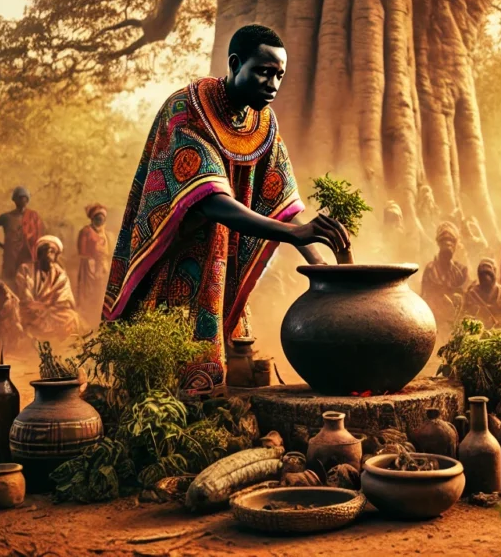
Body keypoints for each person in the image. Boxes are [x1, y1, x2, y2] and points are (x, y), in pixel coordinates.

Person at [103, 25, 349, 394]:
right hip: (172, 253)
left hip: (222, 259)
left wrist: (322, 266)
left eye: (280, 74)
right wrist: (294, 233)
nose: (273, 83)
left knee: (225, 359)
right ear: (235, 63)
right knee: (165, 368)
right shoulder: (187, 110)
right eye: (264, 71)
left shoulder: (262, 122)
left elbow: (281, 201)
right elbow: (210, 200)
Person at [18, 235, 85, 341]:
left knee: (72, 317)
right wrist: (36, 306)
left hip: (54, 311)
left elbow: (65, 298)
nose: (48, 255)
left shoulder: (60, 274)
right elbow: (25, 294)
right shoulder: (26, 269)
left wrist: (49, 308)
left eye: (52, 251)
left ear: (56, 255)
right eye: (45, 251)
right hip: (31, 310)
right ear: (39, 254)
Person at [0, 187, 45, 285]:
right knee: (10, 280)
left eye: (25, 198)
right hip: (11, 254)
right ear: (14, 199)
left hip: (27, 254)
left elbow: (40, 236)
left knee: (27, 280)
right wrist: (1, 244)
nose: (23, 200)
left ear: (28, 200)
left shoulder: (33, 216)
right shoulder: (6, 217)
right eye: (20, 198)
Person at [421, 221, 470, 325]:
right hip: (434, 319)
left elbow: (467, 297)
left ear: (456, 244)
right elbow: (425, 296)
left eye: (451, 240)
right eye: (444, 241)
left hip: (456, 320)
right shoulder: (431, 269)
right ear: (439, 243)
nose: (448, 244)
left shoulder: (461, 270)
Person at [76, 203, 112, 322]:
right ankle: (86, 316)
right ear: (93, 218)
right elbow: (82, 250)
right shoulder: (86, 231)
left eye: (102, 218)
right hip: (89, 266)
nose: (100, 220)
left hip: (103, 265)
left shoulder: (107, 234)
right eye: (97, 218)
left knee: (102, 290)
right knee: (88, 290)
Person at [461, 258, 501, 327]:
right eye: (483, 275)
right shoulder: (471, 295)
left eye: (489, 274)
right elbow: (464, 318)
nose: (486, 278)